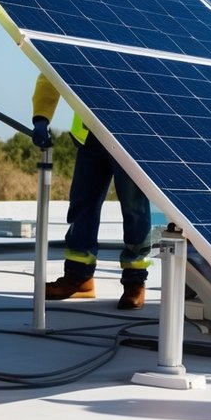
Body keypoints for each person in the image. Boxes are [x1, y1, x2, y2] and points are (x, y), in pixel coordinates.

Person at [31, 73, 153, 310]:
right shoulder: (72, 35)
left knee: (135, 207)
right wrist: (41, 116)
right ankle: (79, 277)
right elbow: (50, 70)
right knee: (82, 205)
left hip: (129, 133)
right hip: (90, 135)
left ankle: (135, 281)